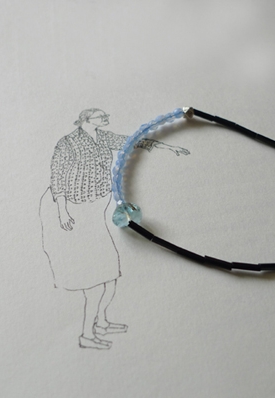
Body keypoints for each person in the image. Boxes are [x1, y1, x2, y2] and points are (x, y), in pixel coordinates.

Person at [40, 108, 189, 349]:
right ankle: (86, 334)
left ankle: (101, 322)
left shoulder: (103, 137)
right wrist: (62, 211)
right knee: (93, 277)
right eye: (101, 117)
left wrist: (166, 147)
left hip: (96, 209)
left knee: (109, 273)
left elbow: (131, 141)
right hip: (74, 213)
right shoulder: (67, 143)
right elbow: (57, 178)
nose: (106, 120)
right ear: (86, 120)